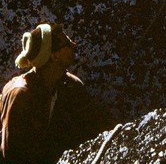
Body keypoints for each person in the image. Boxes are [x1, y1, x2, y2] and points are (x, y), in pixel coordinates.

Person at [1, 23, 112, 164]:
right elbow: (13, 155)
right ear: (54, 56)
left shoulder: (68, 85)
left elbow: (94, 123)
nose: (73, 44)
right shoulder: (21, 96)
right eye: (67, 44)